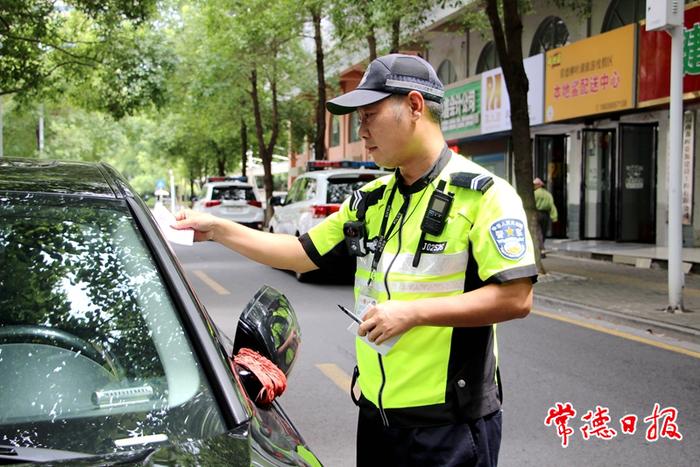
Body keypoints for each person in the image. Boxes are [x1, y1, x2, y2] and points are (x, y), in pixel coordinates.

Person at [173, 54, 537, 466]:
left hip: (448, 427)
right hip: (377, 418)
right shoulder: (372, 200)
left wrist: (413, 314)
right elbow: (298, 253)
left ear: (415, 106)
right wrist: (216, 228)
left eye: (370, 115)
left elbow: (516, 298)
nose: (361, 130)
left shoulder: (484, 195)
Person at [533, 177, 558, 258]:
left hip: (536, 214)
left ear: (538, 185)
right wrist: (554, 217)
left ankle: (540, 250)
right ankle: (541, 249)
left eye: (535, 185)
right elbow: (552, 206)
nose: (533, 186)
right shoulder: (548, 194)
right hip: (546, 215)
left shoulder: (534, 194)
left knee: (537, 233)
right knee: (543, 233)